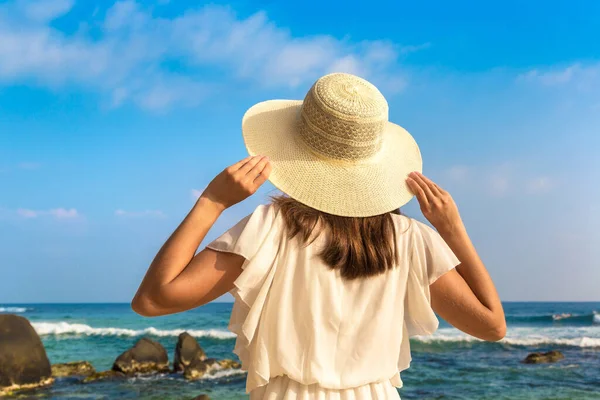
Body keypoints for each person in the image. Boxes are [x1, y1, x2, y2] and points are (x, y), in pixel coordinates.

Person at [131, 72, 506, 399]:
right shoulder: (410, 238)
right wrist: (452, 231)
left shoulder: (272, 228)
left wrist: (212, 201)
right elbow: (492, 327)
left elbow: (153, 300)